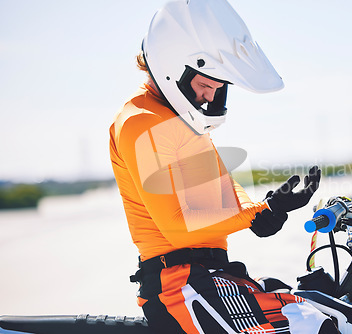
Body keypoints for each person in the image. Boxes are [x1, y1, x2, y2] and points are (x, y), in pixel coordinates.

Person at [109, 0, 339, 333]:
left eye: (218, 89)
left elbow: (223, 187)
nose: (209, 97)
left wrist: (264, 211)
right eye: (205, 85)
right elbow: (176, 225)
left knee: (326, 307)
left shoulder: (177, 120)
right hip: (178, 285)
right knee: (310, 325)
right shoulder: (142, 123)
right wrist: (254, 212)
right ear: (173, 67)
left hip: (207, 275)